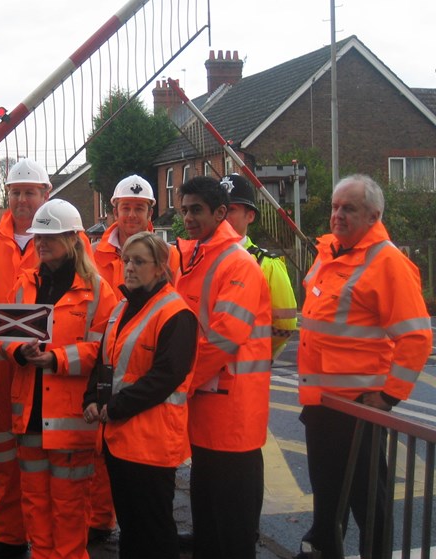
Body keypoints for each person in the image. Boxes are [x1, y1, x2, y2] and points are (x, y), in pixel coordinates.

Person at [296, 174, 432, 559]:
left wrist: (388, 397)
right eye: (335, 206)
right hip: (322, 401)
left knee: (368, 502)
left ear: (374, 215)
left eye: (348, 208)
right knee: (326, 492)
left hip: (358, 407)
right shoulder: (332, 252)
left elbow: (417, 336)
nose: (337, 215)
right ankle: (323, 546)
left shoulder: (387, 262)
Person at [3, 199, 117, 559]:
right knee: (35, 502)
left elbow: (102, 353)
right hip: (30, 414)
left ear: (72, 239)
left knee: (69, 507)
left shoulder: (98, 291)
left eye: (50, 237)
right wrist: (18, 352)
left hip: (70, 419)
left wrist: (54, 359)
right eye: (39, 237)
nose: (41, 243)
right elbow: (4, 334)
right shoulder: (26, 285)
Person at [83, 231, 198, 559]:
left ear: (161, 267)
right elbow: (103, 361)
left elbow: (165, 377)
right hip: (120, 439)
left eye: (139, 261)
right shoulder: (121, 308)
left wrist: (114, 407)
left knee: (154, 532)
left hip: (151, 443)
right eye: (126, 260)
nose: (129, 268)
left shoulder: (176, 313)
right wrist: (91, 398)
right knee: (133, 530)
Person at [175, 175, 272, 559]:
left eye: (196, 210)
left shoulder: (237, 264)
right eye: (183, 210)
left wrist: (179, 382)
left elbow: (223, 338)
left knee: (232, 531)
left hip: (234, 418)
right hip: (208, 412)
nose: (188, 218)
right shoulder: (199, 258)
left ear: (220, 213)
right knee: (210, 526)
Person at [0, 157, 50, 559]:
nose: (22, 200)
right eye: (15, 192)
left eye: (29, 192)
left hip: (44, 367)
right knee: (0, 454)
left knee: (44, 458)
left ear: (45, 195)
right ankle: (7, 537)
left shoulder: (66, 237)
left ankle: (48, 538)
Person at [89, 173, 180, 540]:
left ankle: (112, 521)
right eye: (126, 207)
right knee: (99, 453)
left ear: (150, 212)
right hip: (102, 356)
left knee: (146, 503)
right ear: (114, 209)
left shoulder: (168, 254)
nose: (131, 215)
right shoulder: (94, 253)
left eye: (139, 208)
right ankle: (98, 518)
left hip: (139, 369)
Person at [222, 173, 297, 359]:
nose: (223, 216)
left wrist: (254, 351)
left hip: (244, 372)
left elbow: (285, 324)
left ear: (250, 216)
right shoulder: (198, 258)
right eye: (218, 209)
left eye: (231, 210)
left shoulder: (267, 264)